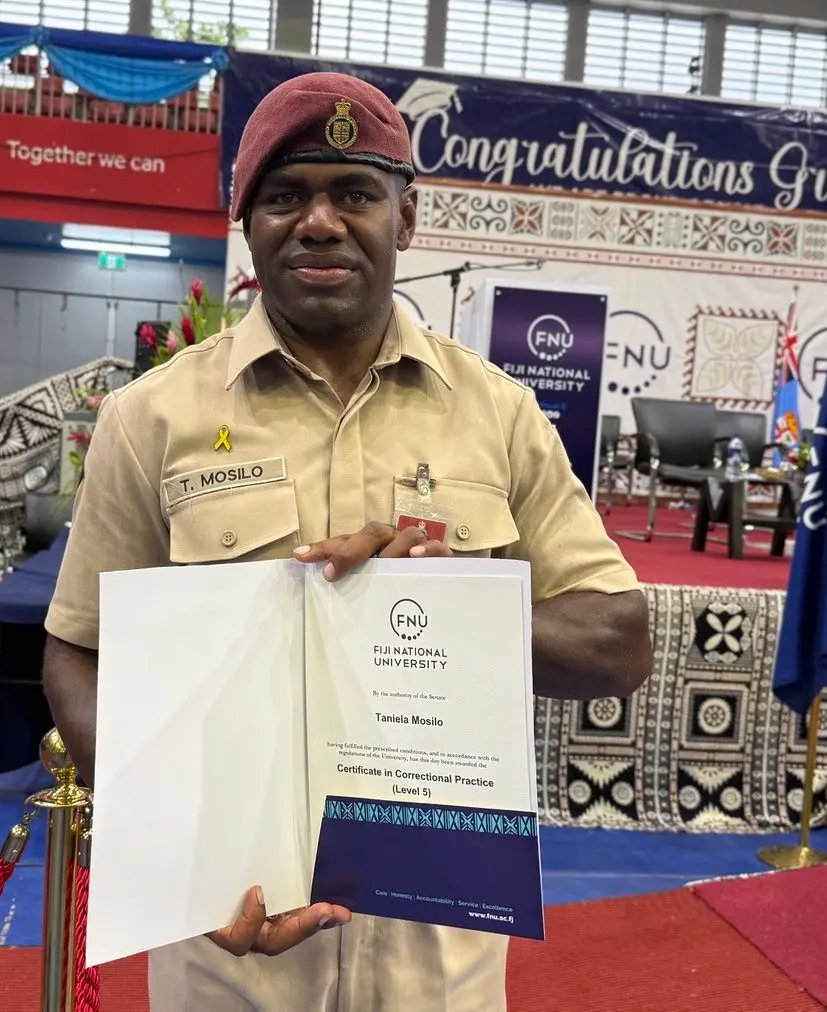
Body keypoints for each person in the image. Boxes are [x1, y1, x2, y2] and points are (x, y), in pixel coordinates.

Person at [42, 73, 651, 1010]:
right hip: (235, 952)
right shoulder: (150, 419)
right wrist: (178, 863)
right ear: (246, 222)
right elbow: (78, 657)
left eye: (356, 193)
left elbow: (617, 642)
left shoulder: (499, 414)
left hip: (437, 955)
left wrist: (446, 611)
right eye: (286, 195)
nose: (320, 221)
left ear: (406, 218)